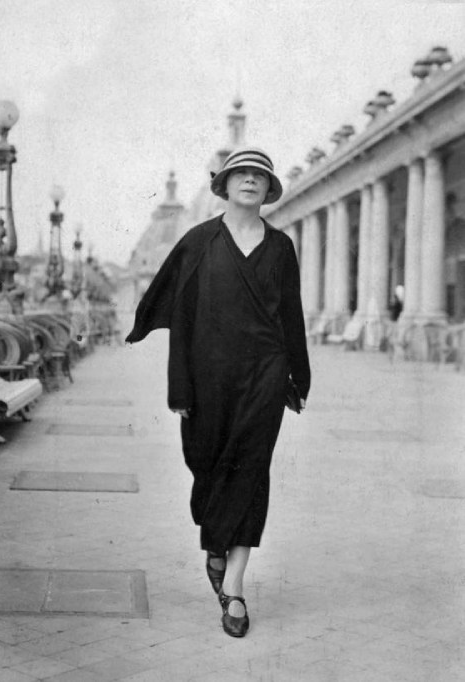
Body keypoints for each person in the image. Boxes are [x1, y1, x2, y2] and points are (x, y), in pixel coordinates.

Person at [126, 146, 311, 638]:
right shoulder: (199, 241)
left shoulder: (280, 247)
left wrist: (298, 376)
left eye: (259, 176)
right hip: (207, 376)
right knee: (208, 466)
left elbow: (290, 315)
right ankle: (215, 541)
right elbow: (180, 321)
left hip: (265, 375)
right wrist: (179, 387)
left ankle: (234, 586)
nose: (250, 181)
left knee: (251, 469)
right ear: (225, 186)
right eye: (241, 174)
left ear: (268, 190)